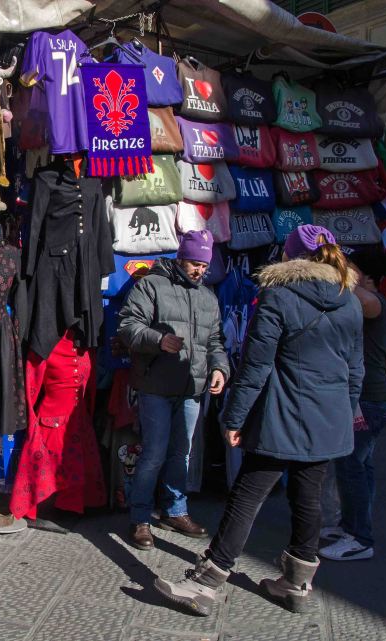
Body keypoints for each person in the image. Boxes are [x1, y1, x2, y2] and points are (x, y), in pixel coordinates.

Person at [154, 225, 363, 617]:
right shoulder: (347, 299)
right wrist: (347, 413)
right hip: (329, 417)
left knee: (247, 495)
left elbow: (255, 367)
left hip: (284, 414)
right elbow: (356, 369)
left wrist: (234, 417)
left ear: (290, 256)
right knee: (308, 498)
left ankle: (207, 581)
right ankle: (297, 583)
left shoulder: (278, 296)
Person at [117, 230, 230, 551]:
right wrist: (158, 340)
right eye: (195, 263)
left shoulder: (208, 297)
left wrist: (220, 367)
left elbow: (214, 342)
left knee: (182, 453)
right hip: (155, 384)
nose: (200, 270)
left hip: (192, 387)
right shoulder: (151, 285)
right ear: (181, 258)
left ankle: (175, 509)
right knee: (153, 452)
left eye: (204, 266)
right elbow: (128, 326)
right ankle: (140, 517)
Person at [319, 247, 386, 562]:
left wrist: (332, 269)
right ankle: (351, 526)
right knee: (360, 467)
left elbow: (350, 295)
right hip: (366, 398)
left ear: (365, 275)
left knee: (352, 467)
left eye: (352, 268)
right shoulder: (368, 300)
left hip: (369, 399)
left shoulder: (373, 303)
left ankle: (360, 538)